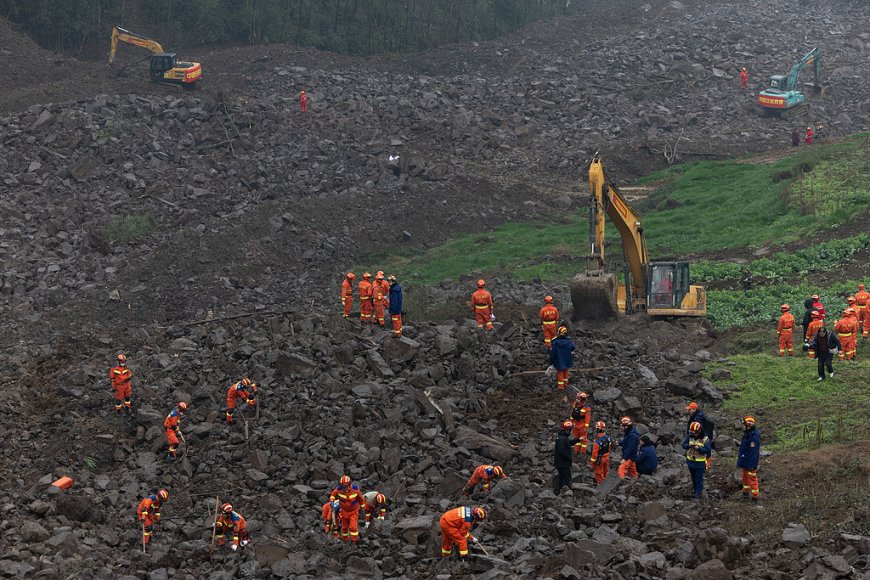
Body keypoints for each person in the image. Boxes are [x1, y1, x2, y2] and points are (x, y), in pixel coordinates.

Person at [682, 421, 712, 499]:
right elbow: (684, 445)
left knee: (699, 479)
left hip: (699, 463)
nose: (693, 434)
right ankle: (696, 491)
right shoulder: (690, 436)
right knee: (693, 478)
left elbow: (708, 450)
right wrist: (688, 446)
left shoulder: (705, 439)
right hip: (690, 462)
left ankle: (698, 495)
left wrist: (699, 448)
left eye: (694, 433)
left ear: (699, 431)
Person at [329, 475, 362, 543]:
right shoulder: (338, 489)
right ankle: (345, 539)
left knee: (353, 527)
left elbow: (360, 498)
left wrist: (362, 507)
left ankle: (354, 541)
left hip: (353, 511)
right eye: (343, 486)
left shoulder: (355, 489)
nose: (344, 488)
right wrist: (332, 501)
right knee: (344, 527)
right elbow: (333, 494)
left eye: (346, 486)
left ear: (349, 484)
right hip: (344, 511)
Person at [737, 416, 761, 502]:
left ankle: (755, 497)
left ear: (748, 425)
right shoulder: (748, 434)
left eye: (743, 424)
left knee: (752, 479)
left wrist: (751, 464)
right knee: (744, 477)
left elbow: (753, 453)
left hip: (750, 463)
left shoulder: (753, 436)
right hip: (745, 461)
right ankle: (745, 493)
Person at [548, 325, 575, 391]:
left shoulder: (555, 343)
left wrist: (551, 362)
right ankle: (565, 383)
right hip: (567, 359)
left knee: (560, 372)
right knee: (566, 371)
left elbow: (552, 353)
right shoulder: (569, 341)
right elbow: (573, 347)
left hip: (559, 360)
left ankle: (561, 386)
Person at [554, 420, 577, 493]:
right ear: (566, 430)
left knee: (561, 478)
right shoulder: (562, 439)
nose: (570, 431)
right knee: (567, 479)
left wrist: (578, 440)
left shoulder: (562, 437)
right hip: (563, 463)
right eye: (570, 429)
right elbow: (561, 450)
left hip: (560, 463)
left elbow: (568, 443)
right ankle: (566, 494)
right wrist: (569, 457)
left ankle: (558, 492)